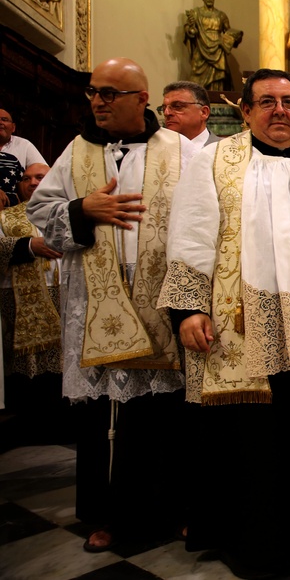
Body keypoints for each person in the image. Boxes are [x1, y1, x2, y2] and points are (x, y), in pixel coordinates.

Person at [157, 68, 290, 577]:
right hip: (244, 325)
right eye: (268, 102)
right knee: (256, 437)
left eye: (289, 102)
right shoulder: (215, 161)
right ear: (246, 111)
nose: (280, 110)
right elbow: (190, 234)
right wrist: (188, 309)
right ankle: (258, 540)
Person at [26, 57, 198, 552]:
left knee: (166, 413)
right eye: (93, 92)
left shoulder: (181, 151)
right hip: (96, 301)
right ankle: (109, 514)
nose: (97, 102)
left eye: (109, 93)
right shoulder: (76, 150)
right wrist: (83, 209)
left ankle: (177, 509)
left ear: (141, 100)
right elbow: (40, 211)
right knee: (102, 417)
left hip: (162, 300)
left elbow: (207, 215)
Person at [0, 162, 65, 445]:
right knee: (31, 365)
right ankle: (32, 425)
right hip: (19, 298)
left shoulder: (68, 212)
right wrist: (28, 246)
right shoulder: (5, 217)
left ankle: (67, 423)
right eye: (26, 178)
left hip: (65, 294)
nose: (33, 182)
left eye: (40, 177)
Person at [184, 0, 243, 92]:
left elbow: (228, 32)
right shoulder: (196, 13)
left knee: (218, 78)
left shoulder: (221, 15)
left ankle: (216, 98)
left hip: (218, 51)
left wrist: (235, 37)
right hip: (201, 49)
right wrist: (191, 30)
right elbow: (189, 30)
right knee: (195, 80)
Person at [0, 108, 46, 208]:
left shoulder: (24, 145)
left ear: (13, 127)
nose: (0, 123)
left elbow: (44, 172)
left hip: (17, 205)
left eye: (4, 119)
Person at [157, 81, 216, 147]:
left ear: (204, 112)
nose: (166, 113)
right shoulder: (156, 148)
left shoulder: (222, 149)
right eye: (164, 108)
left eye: (177, 106)